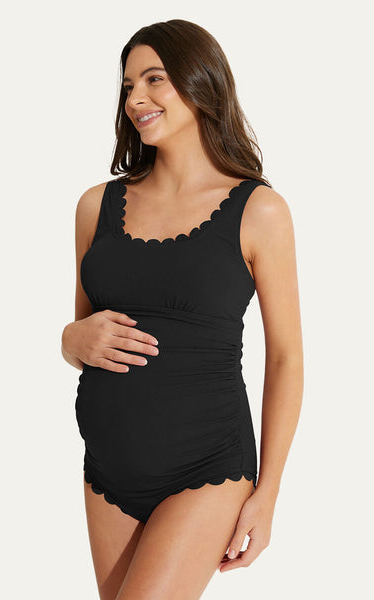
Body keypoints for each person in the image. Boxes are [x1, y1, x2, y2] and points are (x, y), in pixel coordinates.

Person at [61, 19, 303, 600]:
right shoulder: (96, 206)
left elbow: (286, 359)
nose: (135, 99)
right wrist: (69, 340)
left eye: (154, 79)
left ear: (201, 83)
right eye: (128, 86)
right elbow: (84, 330)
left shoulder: (259, 210)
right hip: (107, 468)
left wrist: (268, 494)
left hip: (207, 465)